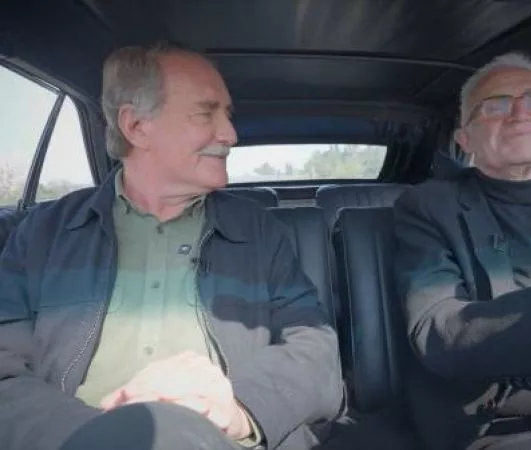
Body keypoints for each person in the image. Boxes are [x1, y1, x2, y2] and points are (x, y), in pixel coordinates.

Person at [0, 43, 344, 450]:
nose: (230, 135)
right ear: (136, 126)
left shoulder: (258, 231)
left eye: (227, 115)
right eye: (205, 113)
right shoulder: (44, 234)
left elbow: (315, 346)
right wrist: (97, 437)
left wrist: (239, 410)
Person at [394, 51, 531, 450]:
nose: (520, 114)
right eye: (496, 105)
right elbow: (439, 332)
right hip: (516, 422)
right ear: (465, 139)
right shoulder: (429, 207)